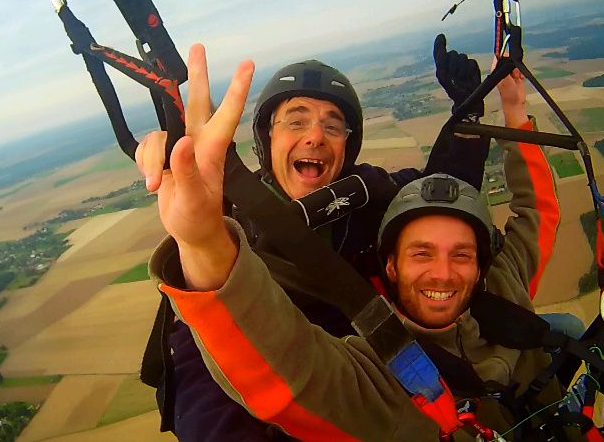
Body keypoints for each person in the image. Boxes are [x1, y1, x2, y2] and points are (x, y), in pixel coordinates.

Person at [148, 44, 565, 440]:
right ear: (267, 138)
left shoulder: (368, 197)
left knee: (565, 330)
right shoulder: (231, 239)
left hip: (407, 372)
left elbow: (440, 203)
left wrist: (469, 122)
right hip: (340, 400)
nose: (315, 136)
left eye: (333, 125)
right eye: (296, 120)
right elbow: (203, 372)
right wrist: (204, 242)